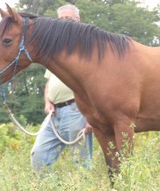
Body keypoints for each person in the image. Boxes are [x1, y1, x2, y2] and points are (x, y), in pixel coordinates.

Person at [30, 4, 93, 174]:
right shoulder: (56, 50)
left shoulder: (86, 48)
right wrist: (47, 101)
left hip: (76, 110)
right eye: (61, 20)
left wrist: (91, 118)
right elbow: (49, 82)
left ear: (78, 20)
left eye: (68, 19)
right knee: (38, 155)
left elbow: (94, 86)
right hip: (54, 114)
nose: (64, 23)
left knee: (81, 162)